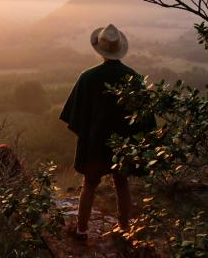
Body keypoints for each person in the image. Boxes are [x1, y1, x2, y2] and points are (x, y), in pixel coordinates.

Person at [60, 24, 155, 241]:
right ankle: (124, 229)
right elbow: (145, 118)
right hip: (124, 145)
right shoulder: (135, 78)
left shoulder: (88, 77)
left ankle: (81, 231)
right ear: (120, 48)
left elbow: (75, 117)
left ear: (100, 49)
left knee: (89, 185)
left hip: (95, 145)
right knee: (122, 183)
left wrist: (89, 133)